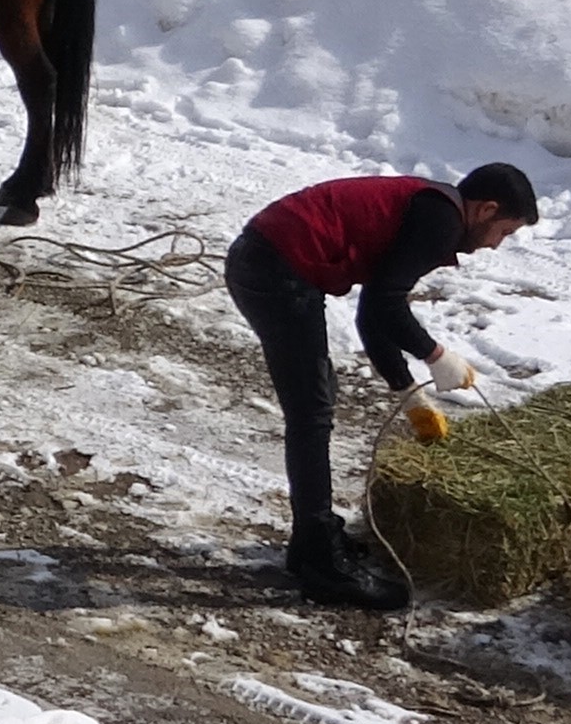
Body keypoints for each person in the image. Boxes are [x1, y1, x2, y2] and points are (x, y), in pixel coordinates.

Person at [229, 162, 541, 608]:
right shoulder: (440, 219)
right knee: (311, 410)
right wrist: (436, 355)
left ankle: (310, 543)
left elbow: (374, 311)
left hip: (270, 259)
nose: (495, 246)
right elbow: (386, 307)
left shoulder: (436, 210)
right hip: (274, 266)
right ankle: (322, 565)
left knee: (315, 403)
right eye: (504, 232)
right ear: (486, 210)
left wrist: (409, 394)